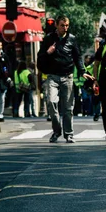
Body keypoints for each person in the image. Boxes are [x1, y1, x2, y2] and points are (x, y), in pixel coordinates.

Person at [37, 15, 91, 143]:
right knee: (51, 102)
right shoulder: (49, 39)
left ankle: (69, 134)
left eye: (67, 25)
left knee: (68, 108)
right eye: (62, 25)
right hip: (53, 77)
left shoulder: (72, 39)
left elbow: (77, 57)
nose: (65, 28)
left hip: (68, 76)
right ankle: (56, 131)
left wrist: (82, 71)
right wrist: (48, 52)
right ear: (56, 25)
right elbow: (40, 57)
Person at [0, 40, 12, 123]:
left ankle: (0, 113)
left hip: (3, 80)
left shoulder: (4, 56)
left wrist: (8, 77)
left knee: (1, 97)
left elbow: (8, 67)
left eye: (0, 45)